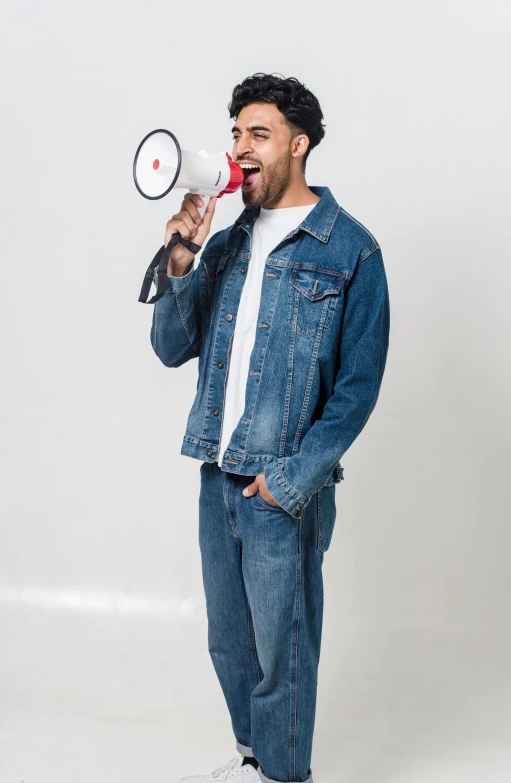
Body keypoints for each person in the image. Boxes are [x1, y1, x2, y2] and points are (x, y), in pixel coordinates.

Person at [149, 73, 390, 783]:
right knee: (229, 643)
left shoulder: (351, 251)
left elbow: (356, 389)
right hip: (215, 475)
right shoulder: (225, 243)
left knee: (282, 646)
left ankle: (286, 775)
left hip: (281, 487)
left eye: (257, 133)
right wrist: (182, 259)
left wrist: (290, 480)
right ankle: (257, 758)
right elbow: (169, 346)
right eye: (234, 134)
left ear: (298, 142)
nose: (240, 148)